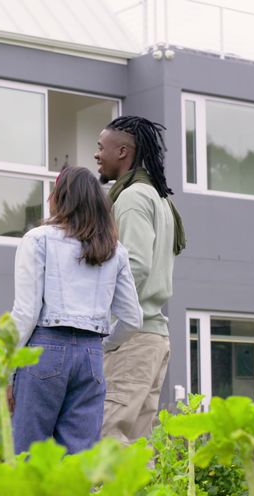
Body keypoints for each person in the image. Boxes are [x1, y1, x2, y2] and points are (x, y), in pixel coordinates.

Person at [9, 165, 142, 496]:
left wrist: (6, 366)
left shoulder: (38, 240)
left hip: (44, 350)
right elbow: (133, 319)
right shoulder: (114, 250)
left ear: (59, 198)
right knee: (79, 465)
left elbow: (25, 312)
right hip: (90, 356)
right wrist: (103, 345)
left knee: (28, 461)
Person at [93, 116, 186, 445]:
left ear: (122, 152)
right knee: (137, 443)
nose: (96, 155)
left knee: (108, 434)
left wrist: (105, 325)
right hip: (153, 336)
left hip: (131, 338)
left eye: (101, 148)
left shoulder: (132, 198)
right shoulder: (160, 199)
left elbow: (134, 266)